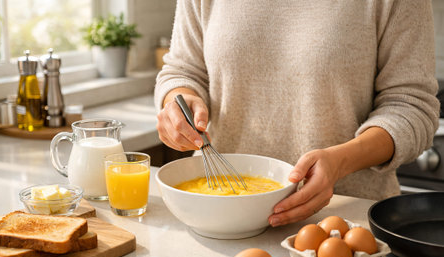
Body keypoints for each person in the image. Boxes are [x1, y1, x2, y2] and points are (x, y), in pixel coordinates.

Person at [154, 0, 440, 227]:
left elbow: (411, 105)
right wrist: (178, 102)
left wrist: (340, 162)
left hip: (342, 226)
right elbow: (183, 70)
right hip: (215, 217)